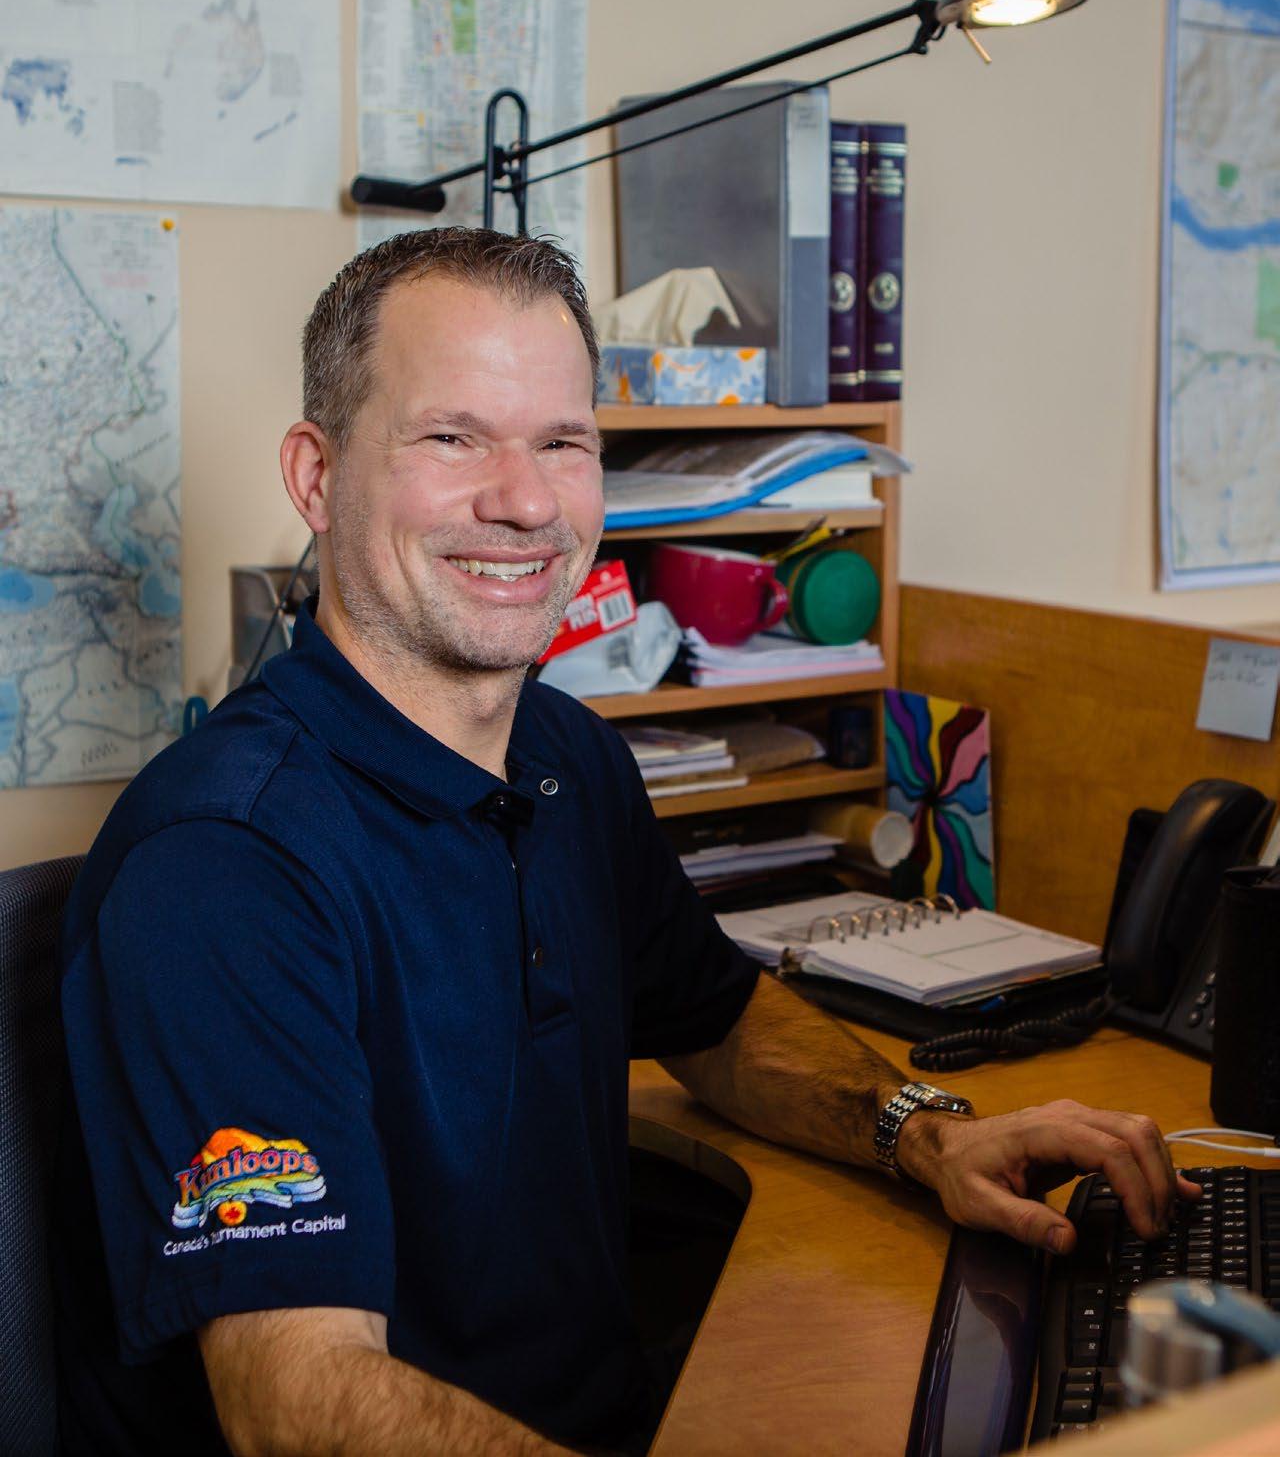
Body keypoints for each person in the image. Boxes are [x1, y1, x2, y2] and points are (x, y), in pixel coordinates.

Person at [54, 227, 1197, 1457]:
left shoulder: (567, 757)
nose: (524, 500)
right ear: (317, 474)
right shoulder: (227, 861)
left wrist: (924, 1133)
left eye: (563, 443)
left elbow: (716, 1018)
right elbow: (295, 1402)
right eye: (452, 438)